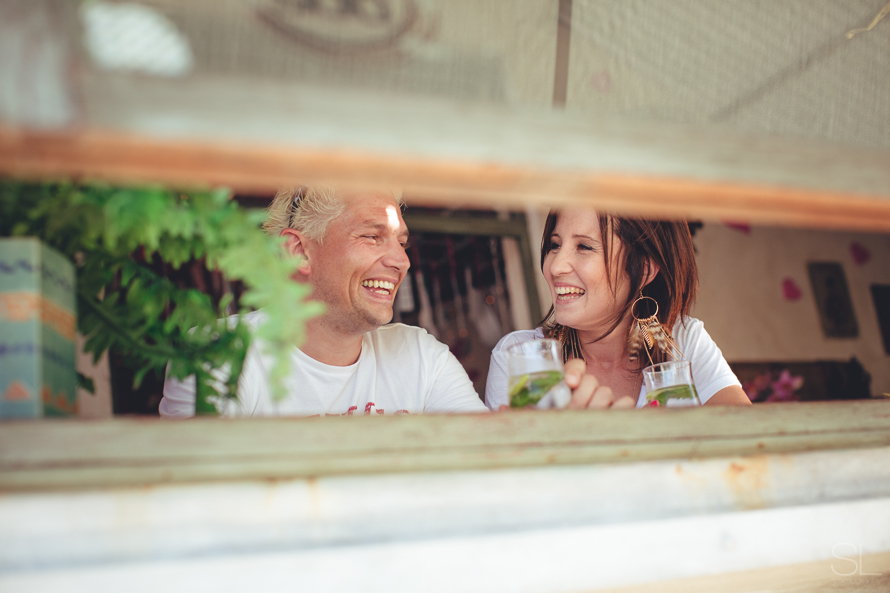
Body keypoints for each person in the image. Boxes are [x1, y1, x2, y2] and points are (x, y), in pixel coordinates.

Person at [160, 186, 488, 417]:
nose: (402, 262)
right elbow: (204, 502)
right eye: (372, 236)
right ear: (299, 252)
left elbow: (489, 469)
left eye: (401, 243)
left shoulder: (421, 356)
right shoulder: (219, 353)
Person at [485, 208, 751, 410]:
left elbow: (752, 443)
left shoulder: (680, 342)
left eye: (584, 247)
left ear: (645, 269)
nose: (555, 267)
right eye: (555, 245)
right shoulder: (520, 358)